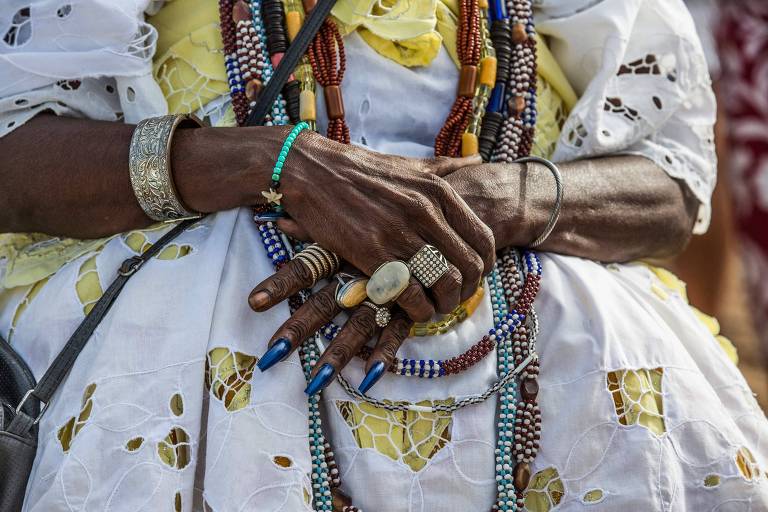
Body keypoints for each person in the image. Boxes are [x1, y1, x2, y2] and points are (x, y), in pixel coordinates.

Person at [1, 0, 765, 510]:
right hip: (179, 386)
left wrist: (494, 205)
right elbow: (14, 154)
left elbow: (670, 188)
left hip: (572, 389)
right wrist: (281, 166)